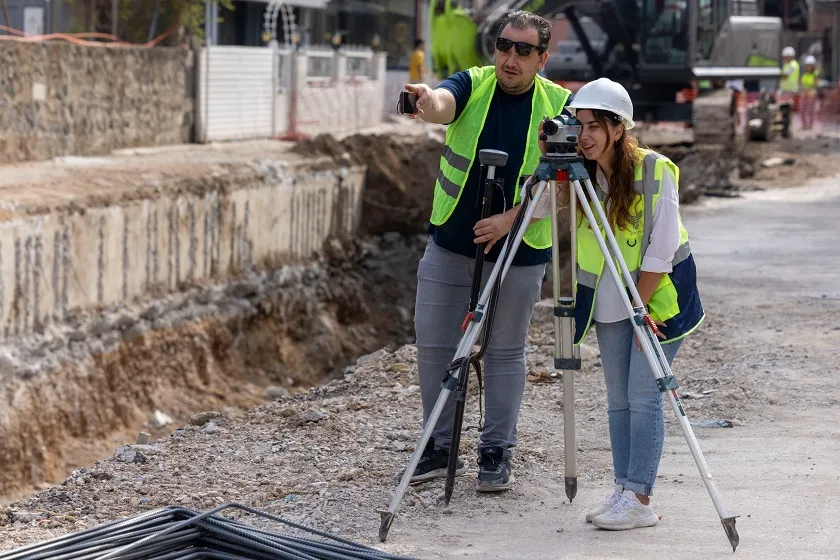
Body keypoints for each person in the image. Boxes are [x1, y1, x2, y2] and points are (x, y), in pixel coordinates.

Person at [401, 10, 572, 492]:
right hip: (451, 243)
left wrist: (511, 220)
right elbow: (441, 103)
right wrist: (422, 100)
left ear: (542, 56)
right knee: (434, 345)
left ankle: (496, 451)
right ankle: (437, 446)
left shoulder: (561, 106)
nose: (509, 58)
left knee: (504, 352)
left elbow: (565, 190)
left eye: (522, 50)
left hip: (520, 252)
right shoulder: (473, 84)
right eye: (503, 46)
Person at [538, 77, 704, 529]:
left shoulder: (656, 169)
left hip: (658, 301)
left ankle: (641, 500)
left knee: (642, 396)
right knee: (618, 401)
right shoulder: (581, 173)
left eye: (594, 125)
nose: (585, 134)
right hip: (609, 301)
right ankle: (624, 488)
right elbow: (539, 212)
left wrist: (641, 309)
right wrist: (547, 162)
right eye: (578, 124)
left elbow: (662, 246)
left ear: (618, 128)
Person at [799, 55, 820, 131]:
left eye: (810, 65)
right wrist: (802, 88)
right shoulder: (804, 73)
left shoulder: (816, 73)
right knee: (801, 110)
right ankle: (804, 125)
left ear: (813, 65)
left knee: (810, 110)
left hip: (812, 94)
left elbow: (816, 83)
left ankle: (810, 125)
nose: (808, 67)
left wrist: (808, 90)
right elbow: (801, 82)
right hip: (804, 93)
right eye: (807, 65)